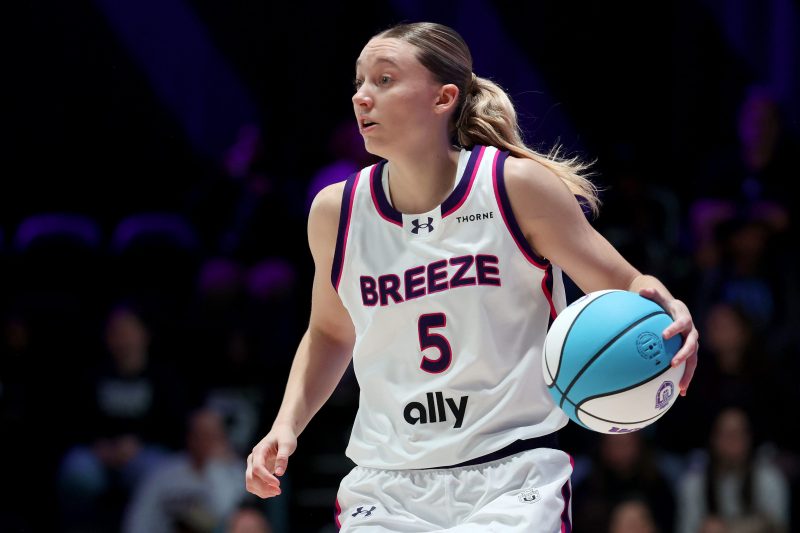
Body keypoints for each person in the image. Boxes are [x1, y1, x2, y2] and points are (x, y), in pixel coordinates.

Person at [245, 21, 699, 531]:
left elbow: (624, 283)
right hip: (386, 483)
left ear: (443, 98)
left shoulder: (512, 186)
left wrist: (669, 310)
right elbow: (330, 332)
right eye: (359, 82)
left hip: (512, 474)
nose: (361, 97)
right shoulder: (337, 212)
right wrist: (286, 424)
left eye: (384, 80)